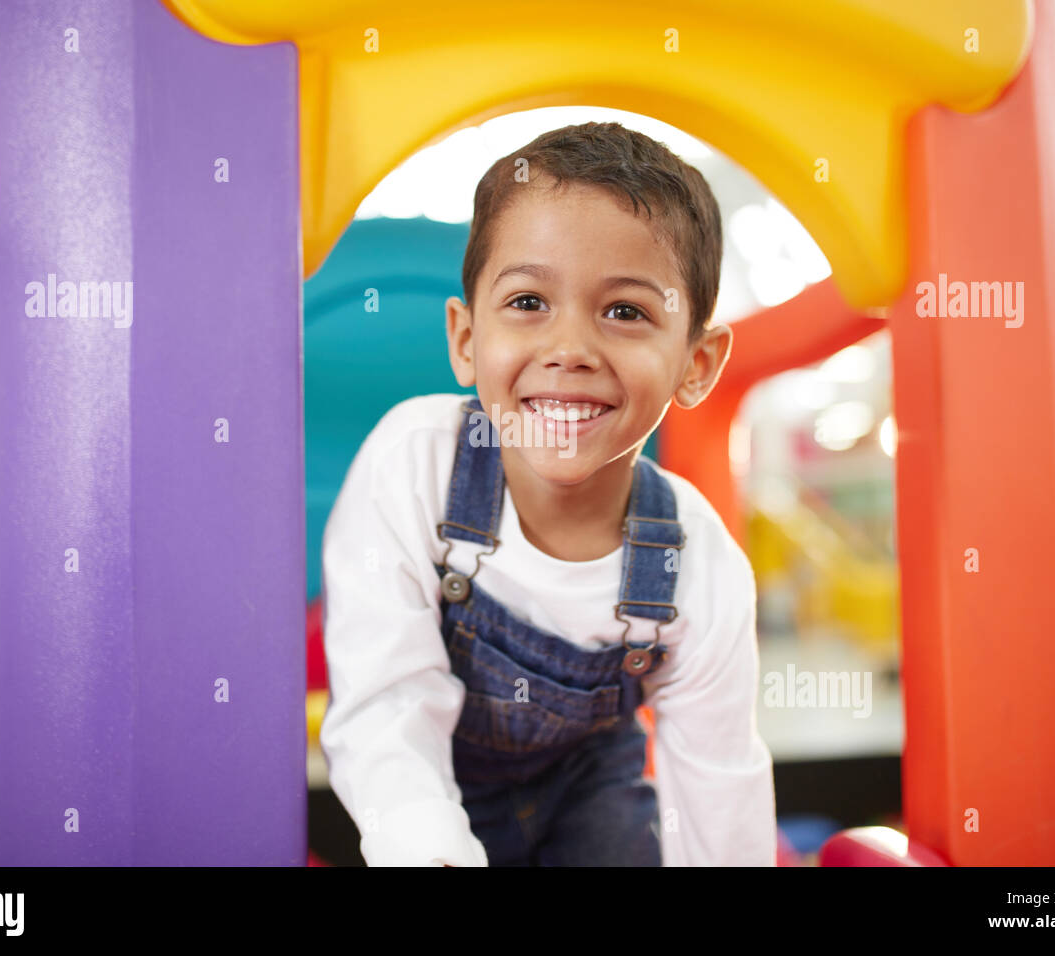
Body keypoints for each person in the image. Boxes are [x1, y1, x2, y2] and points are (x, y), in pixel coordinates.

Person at [319, 121, 775, 866]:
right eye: (529, 302)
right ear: (467, 339)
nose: (570, 350)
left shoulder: (699, 564)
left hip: (593, 802)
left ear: (697, 362)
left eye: (625, 312)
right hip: (427, 796)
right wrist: (426, 846)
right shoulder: (416, 464)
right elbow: (387, 705)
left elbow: (718, 787)